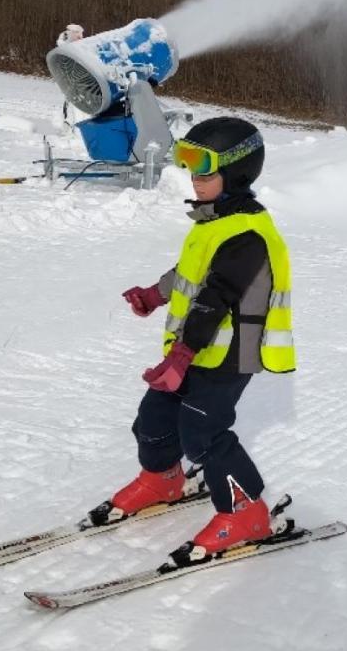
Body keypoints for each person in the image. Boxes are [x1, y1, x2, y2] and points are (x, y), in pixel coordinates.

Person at [89, 116, 296, 560]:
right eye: (189, 164)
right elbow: (191, 276)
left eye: (205, 168)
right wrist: (155, 294)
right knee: (154, 418)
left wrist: (182, 354)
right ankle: (164, 478)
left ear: (236, 170)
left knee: (203, 431)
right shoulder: (214, 222)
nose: (194, 178)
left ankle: (246, 512)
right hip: (192, 351)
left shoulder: (248, 236)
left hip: (227, 355)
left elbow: (214, 299)